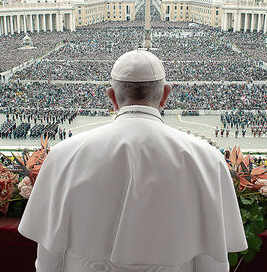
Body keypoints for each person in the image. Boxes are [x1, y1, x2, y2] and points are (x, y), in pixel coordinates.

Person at [18, 49, 247, 272]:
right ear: (166, 95)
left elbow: (49, 254)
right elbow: (213, 258)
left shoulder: (63, 155)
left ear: (112, 97)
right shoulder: (207, 159)